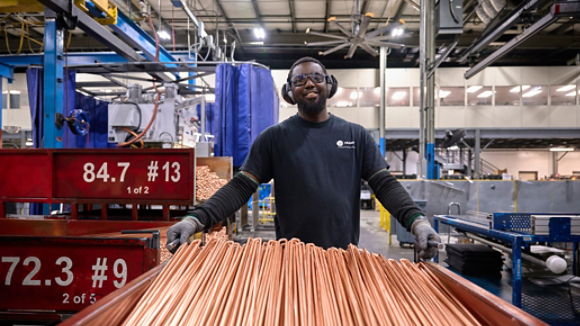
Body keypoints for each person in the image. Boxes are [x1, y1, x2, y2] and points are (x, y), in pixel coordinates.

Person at [167, 57, 441, 259]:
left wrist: (418, 221)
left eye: (316, 77)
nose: (309, 83)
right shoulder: (274, 138)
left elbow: (386, 185)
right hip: (292, 259)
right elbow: (240, 187)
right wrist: (194, 219)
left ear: (328, 84)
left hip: (344, 258)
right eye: (300, 80)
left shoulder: (356, 135)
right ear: (290, 92)